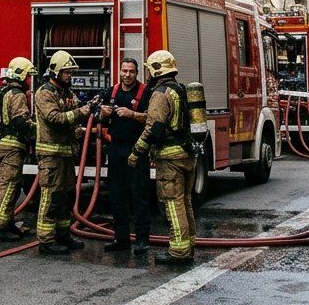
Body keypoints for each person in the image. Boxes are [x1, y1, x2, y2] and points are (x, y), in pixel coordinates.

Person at [128, 50, 196, 266]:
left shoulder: (160, 93)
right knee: (185, 202)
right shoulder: (179, 89)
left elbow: (154, 128)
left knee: (172, 204)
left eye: (149, 70)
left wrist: (136, 152)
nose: (147, 75)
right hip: (186, 155)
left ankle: (178, 252)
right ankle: (188, 245)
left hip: (169, 159)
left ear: (156, 70)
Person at [33, 50, 95, 255]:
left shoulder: (67, 93)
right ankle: (46, 240)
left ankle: (63, 234)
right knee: (51, 196)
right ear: (56, 72)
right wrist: (81, 112)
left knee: (67, 195)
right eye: (67, 72)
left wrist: (90, 110)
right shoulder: (45, 93)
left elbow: (75, 114)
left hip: (66, 153)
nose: (70, 76)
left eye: (70, 72)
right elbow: (55, 118)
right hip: (51, 155)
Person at [100, 58, 155, 254]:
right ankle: (120, 238)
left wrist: (132, 114)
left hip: (137, 150)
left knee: (139, 195)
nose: (127, 75)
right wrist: (104, 113)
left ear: (137, 72)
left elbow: (153, 118)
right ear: (120, 72)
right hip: (115, 149)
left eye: (131, 71)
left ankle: (142, 240)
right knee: (116, 195)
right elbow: (99, 118)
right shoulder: (111, 92)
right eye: (124, 71)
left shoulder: (145, 92)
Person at [0, 57, 35, 242]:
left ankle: (8, 223)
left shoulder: (5, 91)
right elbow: (20, 121)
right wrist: (37, 131)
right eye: (28, 76)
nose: (30, 80)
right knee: (8, 187)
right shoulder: (17, 94)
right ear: (21, 75)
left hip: (4, 145)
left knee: (13, 188)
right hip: (11, 146)